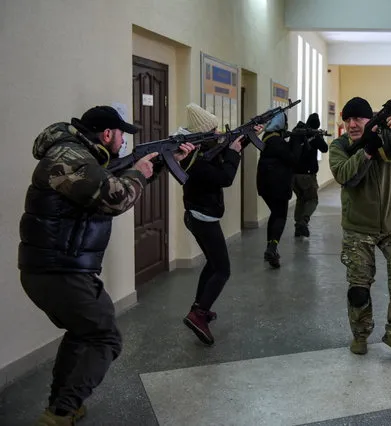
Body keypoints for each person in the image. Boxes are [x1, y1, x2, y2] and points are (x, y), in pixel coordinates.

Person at [17, 105, 194, 425]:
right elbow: (115, 198)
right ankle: (59, 413)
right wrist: (139, 170)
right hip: (58, 270)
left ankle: (64, 403)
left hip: (59, 267)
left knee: (83, 332)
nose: (124, 141)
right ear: (108, 134)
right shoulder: (69, 158)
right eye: (122, 135)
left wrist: (165, 164)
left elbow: (114, 186)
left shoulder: (82, 156)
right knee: (105, 337)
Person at [329, 96, 391, 358]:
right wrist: (366, 151)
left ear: (370, 119)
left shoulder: (386, 138)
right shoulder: (339, 146)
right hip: (358, 228)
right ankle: (360, 335)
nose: (352, 124)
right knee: (358, 288)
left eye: (358, 118)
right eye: (347, 119)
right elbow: (345, 176)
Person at [179, 103, 263, 345]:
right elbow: (225, 178)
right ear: (202, 133)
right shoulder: (195, 157)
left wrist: (248, 136)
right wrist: (235, 153)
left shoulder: (202, 149)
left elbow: (225, 151)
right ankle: (198, 315)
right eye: (213, 129)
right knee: (223, 269)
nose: (218, 133)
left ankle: (200, 305)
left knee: (213, 264)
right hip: (202, 218)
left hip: (200, 215)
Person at [257, 111, 301, 268]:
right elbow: (293, 159)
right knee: (280, 215)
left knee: (274, 214)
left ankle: (270, 247)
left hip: (265, 185)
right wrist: (296, 140)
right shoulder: (276, 141)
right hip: (277, 185)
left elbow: (282, 153)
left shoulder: (268, 138)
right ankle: (272, 247)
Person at [291, 113, 329, 237]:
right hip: (307, 176)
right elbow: (324, 148)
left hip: (294, 175)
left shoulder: (297, 133)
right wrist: (317, 136)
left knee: (301, 199)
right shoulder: (314, 135)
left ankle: (298, 226)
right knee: (313, 200)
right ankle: (303, 222)